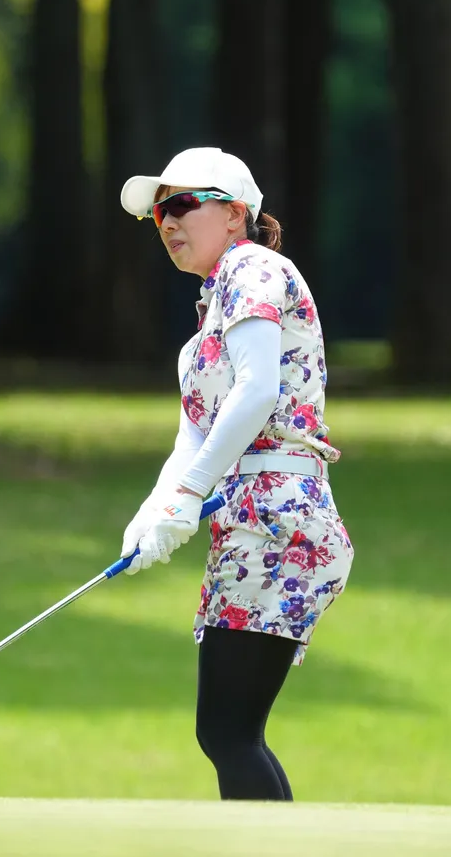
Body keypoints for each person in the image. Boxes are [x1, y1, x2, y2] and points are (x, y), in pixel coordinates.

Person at [115, 146, 354, 802]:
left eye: (182, 203)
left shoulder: (254, 268)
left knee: (228, 731)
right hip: (249, 521)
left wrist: (191, 492)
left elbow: (255, 393)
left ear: (234, 213)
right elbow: (191, 437)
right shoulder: (203, 333)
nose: (167, 221)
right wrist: (154, 511)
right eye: (159, 212)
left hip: (282, 518)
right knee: (228, 731)